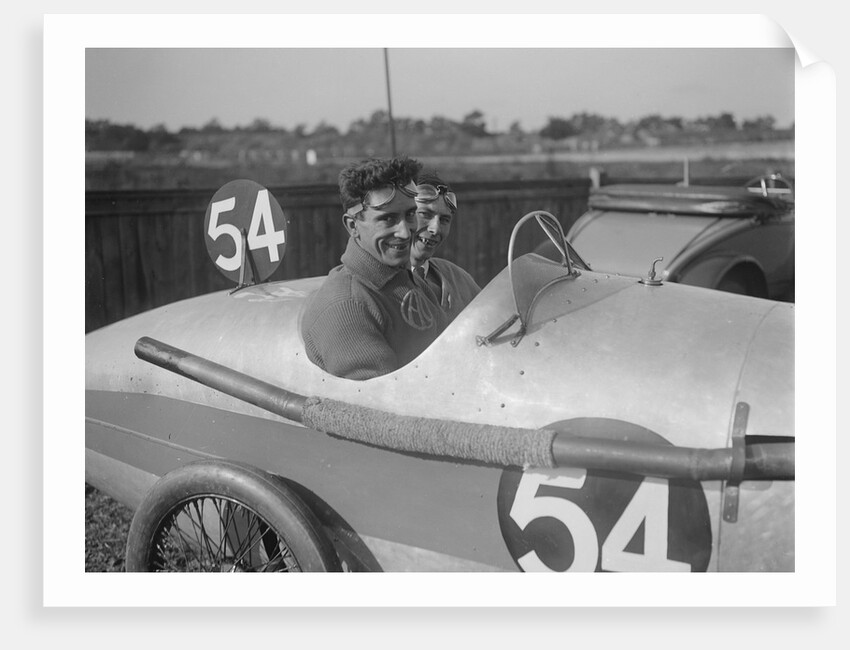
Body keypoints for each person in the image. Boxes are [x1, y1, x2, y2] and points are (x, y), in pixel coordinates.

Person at [301, 156, 447, 380]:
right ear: (353, 226)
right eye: (388, 219)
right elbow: (380, 406)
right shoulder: (348, 306)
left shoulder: (406, 278)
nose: (406, 232)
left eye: (409, 214)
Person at [410, 172, 481, 323]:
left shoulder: (459, 280)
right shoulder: (378, 282)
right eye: (425, 214)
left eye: (444, 220)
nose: (435, 229)